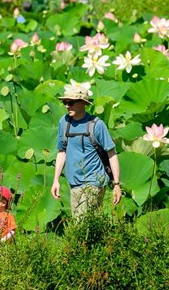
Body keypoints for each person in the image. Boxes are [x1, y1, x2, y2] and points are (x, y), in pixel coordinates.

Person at [50, 82, 121, 219]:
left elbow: (111, 154)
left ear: (83, 103)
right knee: (85, 224)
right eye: (65, 102)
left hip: (94, 181)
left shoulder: (97, 125)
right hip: (74, 182)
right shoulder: (64, 123)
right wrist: (56, 180)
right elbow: (61, 151)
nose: (67, 106)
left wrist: (116, 184)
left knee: (82, 222)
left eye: (71, 102)